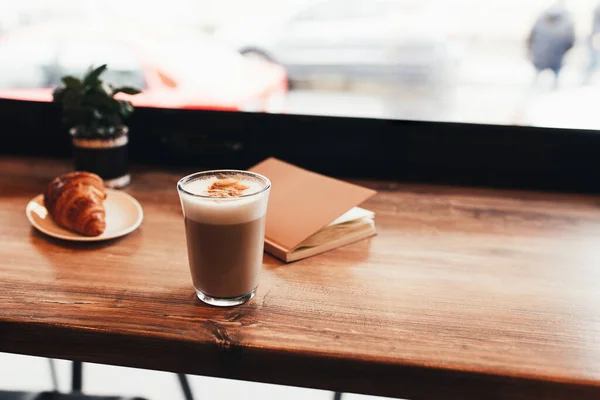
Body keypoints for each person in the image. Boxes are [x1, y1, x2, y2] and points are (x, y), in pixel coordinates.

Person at [527, 3, 575, 88]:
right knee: (554, 76)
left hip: (540, 55)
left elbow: (530, 37)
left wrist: (530, 49)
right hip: (556, 56)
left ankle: (535, 87)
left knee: (538, 75)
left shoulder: (541, 19)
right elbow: (570, 41)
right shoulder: (567, 22)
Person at [584, 3, 600, 84]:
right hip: (596, 38)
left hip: (595, 37)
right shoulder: (598, 9)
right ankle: (586, 81)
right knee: (593, 62)